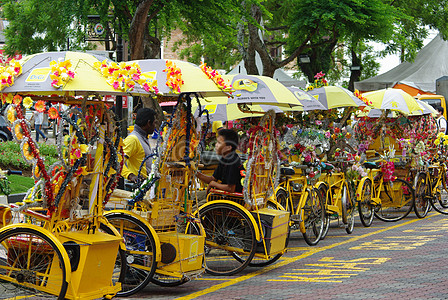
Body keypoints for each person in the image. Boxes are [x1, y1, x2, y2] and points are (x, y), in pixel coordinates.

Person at [196, 129, 243, 198]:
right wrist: (195, 173)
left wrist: (214, 184)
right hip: (221, 194)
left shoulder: (233, 161)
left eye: (219, 143)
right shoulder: (224, 159)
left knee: (195, 206)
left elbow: (231, 189)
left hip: (231, 198)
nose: (216, 145)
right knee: (194, 196)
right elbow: (212, 179)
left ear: (229, 147)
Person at [122, 107, 157, 184]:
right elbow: (118, 163)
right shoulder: (133, 139)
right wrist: (130, 175)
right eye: (154, 123)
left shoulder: (144, 137)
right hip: (137, 187)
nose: (155, 126)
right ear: (148, 123)